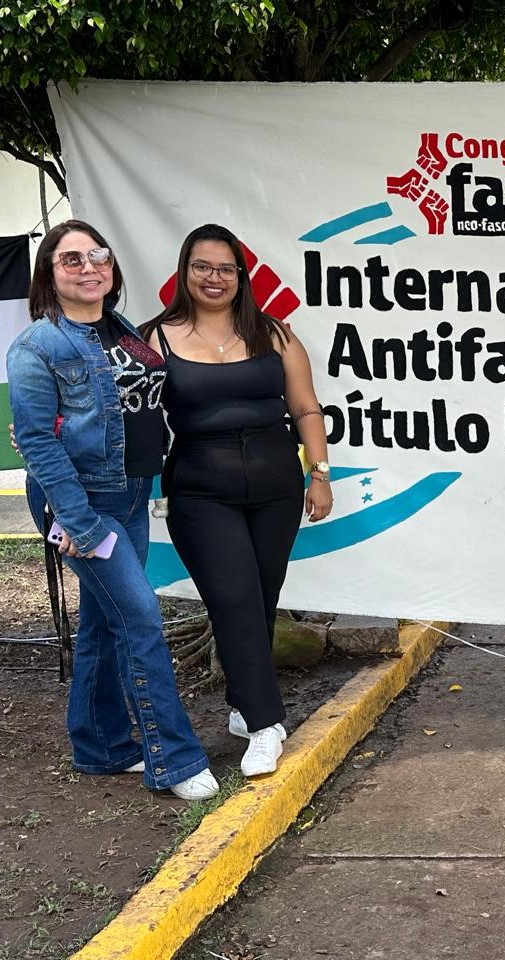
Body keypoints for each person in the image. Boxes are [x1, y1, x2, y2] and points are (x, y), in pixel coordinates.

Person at [6, 220, 219, 801]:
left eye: (98, 255)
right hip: (83, 504)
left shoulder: (120, 329)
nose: (89, 267)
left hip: (130, 492)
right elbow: (37, 440)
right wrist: (75, 521)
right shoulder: (37, 347)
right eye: (71, 259)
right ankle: (174, 759)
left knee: (104, 621)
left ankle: (101, 746)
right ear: (49, 274)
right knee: (140, 619)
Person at [142, 224, 333, 779]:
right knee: (233, 597)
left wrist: (319, 473)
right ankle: (266, 723)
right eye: (202, 266)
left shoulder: (274, 334)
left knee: (261, 595)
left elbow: (307, 408)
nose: (214, 278)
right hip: (200, 486)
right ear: (184, 271)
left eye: (226, 269)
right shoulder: (154, 339)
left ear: (241, 277)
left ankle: (242, 703)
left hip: (276, 484)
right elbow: (125, 408)